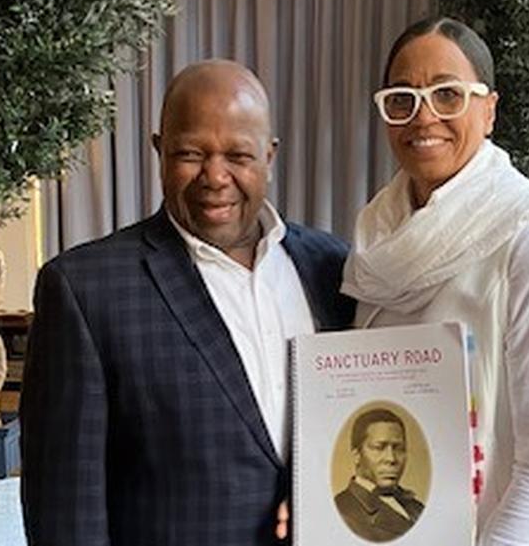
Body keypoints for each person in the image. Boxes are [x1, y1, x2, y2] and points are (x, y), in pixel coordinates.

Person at [21, 59, 356, 546]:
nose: (215, 177)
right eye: (191, 154)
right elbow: (65, 513)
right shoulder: (85, 290)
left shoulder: (334, 268)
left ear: (270, 155)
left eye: (238, 156)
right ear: (158, 150)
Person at [342, 18, 529, 546]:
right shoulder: (378, 239)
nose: (423, 116)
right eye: (402, 99)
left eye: (448, 95)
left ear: (489, 109)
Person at [334, 408, 424, 542]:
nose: (391, 458)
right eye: (379, 447)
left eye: (398, 448)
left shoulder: (417, 507)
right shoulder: (342, 511)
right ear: (357, 455)